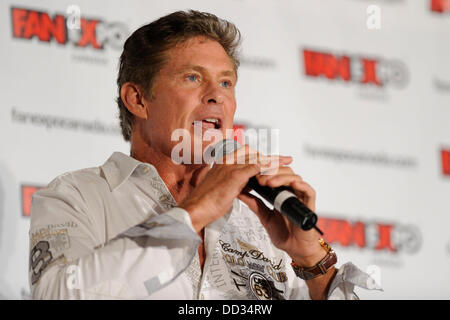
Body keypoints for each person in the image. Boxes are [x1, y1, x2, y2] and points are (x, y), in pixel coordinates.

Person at [29, 10, 379, 300]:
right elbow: (56, 294)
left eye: (226, 83)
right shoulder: (75, 196)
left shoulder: (263, 222)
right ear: (138, 99)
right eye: (193, 77)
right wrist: (197, 210)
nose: (217, 97)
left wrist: (313, 263)